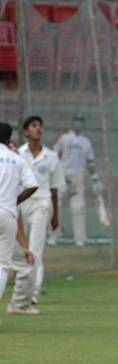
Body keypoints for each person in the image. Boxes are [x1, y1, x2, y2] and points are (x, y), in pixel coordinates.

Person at [18, 116, 65, 304]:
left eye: (40, 126)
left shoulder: (51, 156)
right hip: (21, 203)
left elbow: (55, 188)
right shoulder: (18, 154)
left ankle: (33, 292)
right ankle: (21, 288)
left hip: (42, 204)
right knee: (20, 248)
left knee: (35, 248)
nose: (38, 129)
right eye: (33, 126)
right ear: (25, 132)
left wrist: (56, 215)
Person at [0, 122, 39, 310]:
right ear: (9, 139)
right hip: (7, 214)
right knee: (1, 267)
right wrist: (14, 201)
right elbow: (32, 185)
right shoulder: (16, 159)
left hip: (8, 213)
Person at [52, 115, 102, 246]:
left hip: (78, 176)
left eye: (81, 123)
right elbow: (54, 156)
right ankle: (54, 236)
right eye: (76, 122)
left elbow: (90, 161)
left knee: (78, 207)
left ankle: (80, 239)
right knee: (56, 205)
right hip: (62, 175)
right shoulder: (63, 138)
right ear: (72, 123)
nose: (78, 125)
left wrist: (95, 178)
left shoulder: (86, 142)